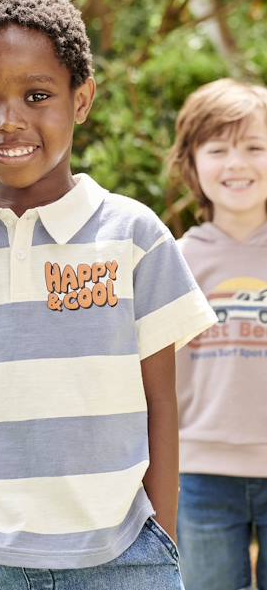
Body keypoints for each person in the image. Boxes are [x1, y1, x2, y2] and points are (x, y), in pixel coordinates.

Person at [0, 0, 215, 588]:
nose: (9, 121)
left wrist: (158, 534)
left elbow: (162, 401)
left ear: (82, 99)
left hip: (123, 556)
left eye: (37, 95)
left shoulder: (135, 234)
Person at [169, 78, 267, 590]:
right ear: (192, 161)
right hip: (202, 472)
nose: (237, 164)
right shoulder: (177, 259)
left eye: (255, 147)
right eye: (218, 148)